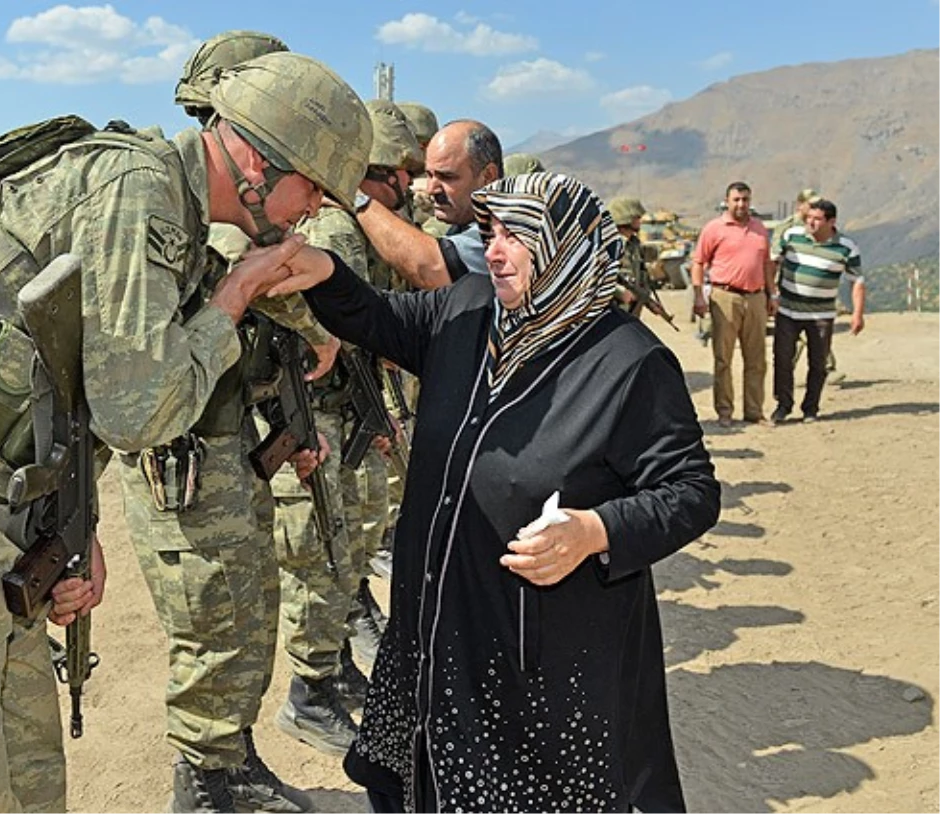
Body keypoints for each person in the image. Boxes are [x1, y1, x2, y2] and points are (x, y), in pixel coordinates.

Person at [0, 48, 369, 814]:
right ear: (253, 157)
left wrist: (68, 524)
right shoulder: (137, 188)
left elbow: (72, 387)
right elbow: (139, 409)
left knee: (34, 785)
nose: (310, 210)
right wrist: (236, 296)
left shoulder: (169, 213)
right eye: (310, 186)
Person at [269, 171, 720, 812]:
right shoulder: (468, 310)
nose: (496, 249)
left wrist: (594, 531)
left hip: (534, 654)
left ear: (566, 246)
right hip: (433, 626)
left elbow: (691, 491)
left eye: (518, 235)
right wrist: (321, 271)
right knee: (418, 784)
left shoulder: (629, 363)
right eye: (492, 232)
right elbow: (375, 317)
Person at [128, 40, 370, 814]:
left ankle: (225, 762)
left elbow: (252, 348)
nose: (314, 211)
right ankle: (205, 781)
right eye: (312, 186)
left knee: (242, 613)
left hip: (223, 447)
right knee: (215, 625)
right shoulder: (179, 215)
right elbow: (147, 391)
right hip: (184, 458)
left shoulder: (209, 218)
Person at [272, 99, 422, 757]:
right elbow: (309, 333)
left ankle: (332, 674)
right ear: (372, 175)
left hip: (352, 412)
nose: (409, 188)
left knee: (349, 549)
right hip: (322, 417)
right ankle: (308, 694)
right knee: (321, 554)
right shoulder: (334, 233)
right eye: (399, 175)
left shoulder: (356, 234)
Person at [355, 119, 502, 288]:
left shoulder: (504, 228)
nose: (431, 189)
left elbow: (430, 268)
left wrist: (357, 199)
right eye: (429, 175)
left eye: (447, 177)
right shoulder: (464, 222)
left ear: (488, 176)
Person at [690, 181, 777, 425]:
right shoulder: (714, 229)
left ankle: (754, 411)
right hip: (724, 297)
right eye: (736, 199)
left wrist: (773, 294)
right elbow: (698, 262)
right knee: (723, 358)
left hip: (756, 297)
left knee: (756, 359)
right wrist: (699, 296)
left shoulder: (759, 228)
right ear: (727, 201)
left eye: (745, 199)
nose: (741, 204)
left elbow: (766, 264)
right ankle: (725, 412)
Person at [770, 198, 864, 423]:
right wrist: (772, 293)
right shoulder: (792, 236)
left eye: (817, 219)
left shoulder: (846, 248)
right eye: (809, 218)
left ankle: (810, 408)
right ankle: (783, 405)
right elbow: (772, 262)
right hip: (788, 312)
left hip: (821, 315)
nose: (811, 223)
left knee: (818, 363)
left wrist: (857, 314)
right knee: (782, 359)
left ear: (831, 221)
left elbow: (857, 280)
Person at [607, 196, 650, 317]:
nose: (640, 221)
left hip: (630, 309)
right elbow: (596, 276)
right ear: (625, 218)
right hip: (611, 308)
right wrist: (620, 292)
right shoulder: (610, 244)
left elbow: (641, 275)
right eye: (637, 217)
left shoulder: (634, 244)